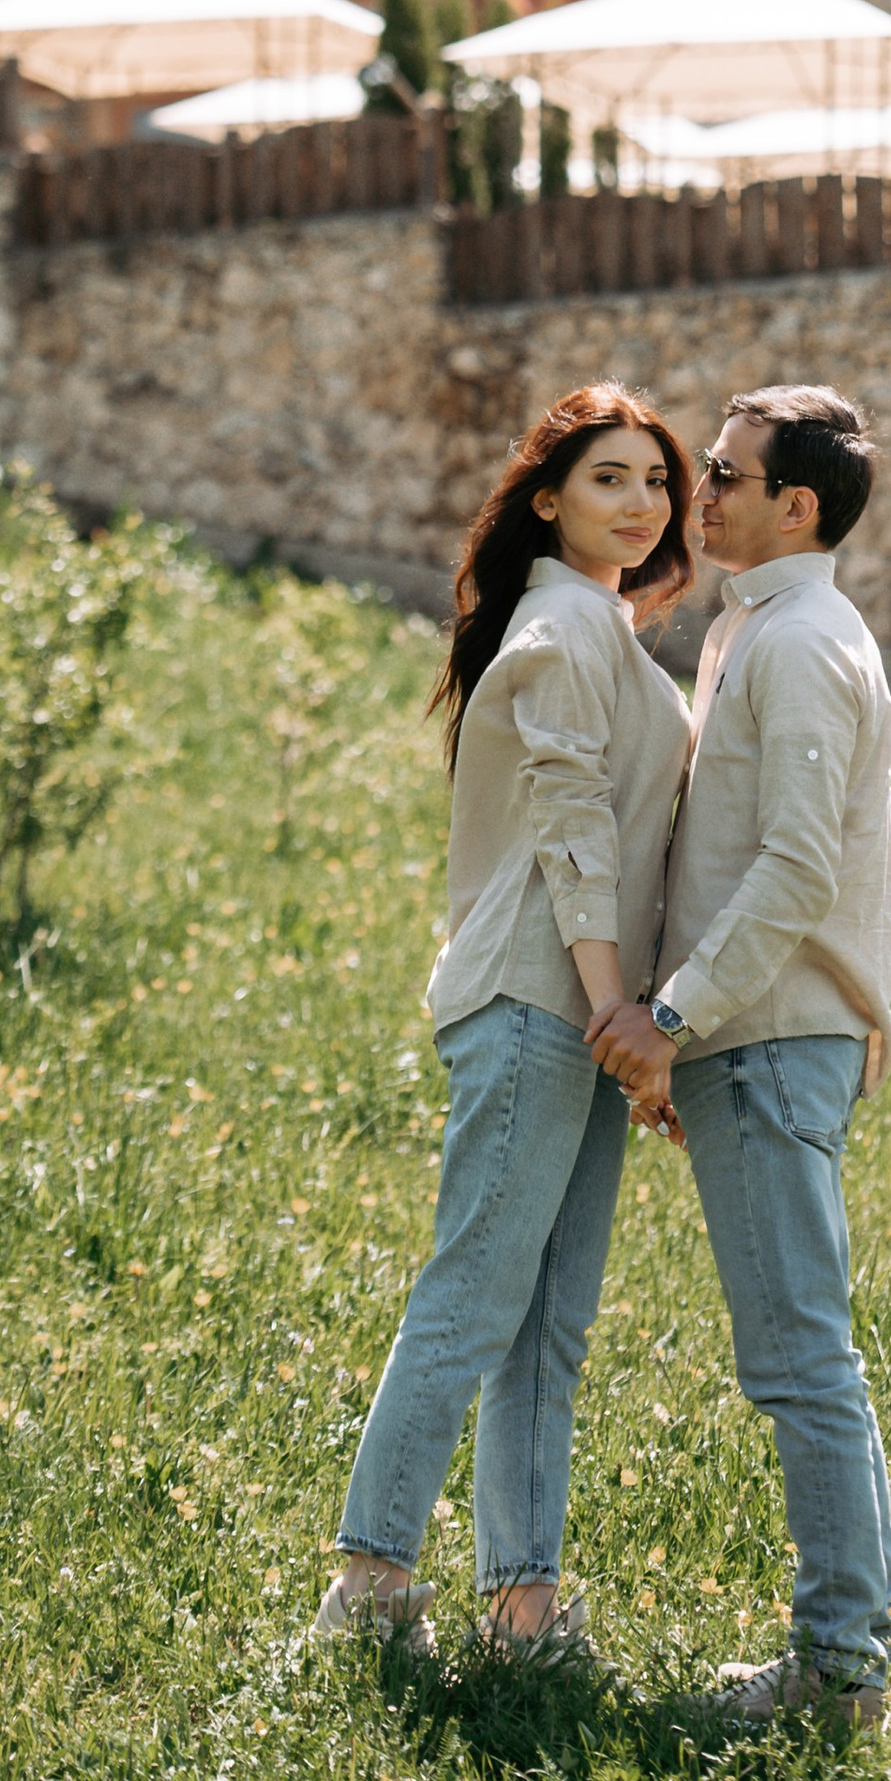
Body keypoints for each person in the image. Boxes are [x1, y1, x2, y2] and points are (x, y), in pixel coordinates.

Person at [312, 383, 694, 1665]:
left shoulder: (603, 629)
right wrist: (614, 1016)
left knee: (546, 1321)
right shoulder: (559, 634)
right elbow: (573, 832)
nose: (641, 503)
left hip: (579, 1008)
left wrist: (628, 1028)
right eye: (609, 479)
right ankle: (366, 1594)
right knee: (474, 1299)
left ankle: (523, 1613)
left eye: (656, 481)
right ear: (546, 500)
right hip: (547, 1000)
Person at [589, 383, 891, 1724]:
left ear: (799, 507)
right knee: (796, 1352)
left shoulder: (800, 644)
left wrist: (672, 1019)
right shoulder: (755, 632)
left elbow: (792, 870)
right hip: (747, 1043)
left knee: (801, 1360)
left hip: (773, 1041)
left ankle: (841, 1670)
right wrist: (689, 1035)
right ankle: (843, 1656)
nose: (694, 492)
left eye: (725, 473)